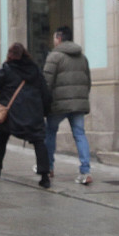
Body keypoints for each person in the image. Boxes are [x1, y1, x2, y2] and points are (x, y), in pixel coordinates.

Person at [0, 43, 52, 188]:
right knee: (39, 142)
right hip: (33, 113)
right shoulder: (34, 69)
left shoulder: (8, 69)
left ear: (10, 55)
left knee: (2, 139)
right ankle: (45, 177)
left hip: (12, 114)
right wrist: (45, 111)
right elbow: (45, 92)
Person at [43, 25, 92, 185]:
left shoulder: (54, 56)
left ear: (59, 38)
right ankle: (86, 171)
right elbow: (88, 81)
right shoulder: (82, 57)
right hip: (78, 103)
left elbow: (47, 82)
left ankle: (49, 167)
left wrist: (44, 101)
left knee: (50, 132)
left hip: (58, 105)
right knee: (80, 134)